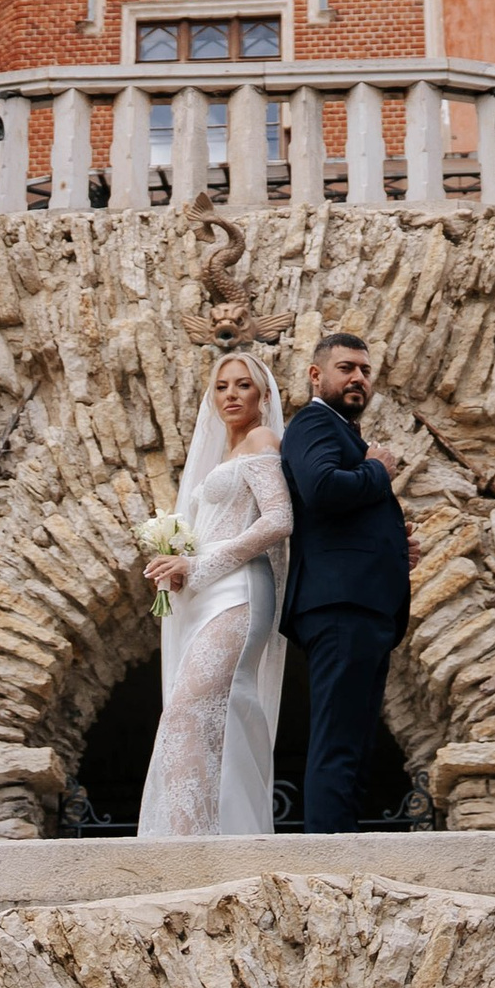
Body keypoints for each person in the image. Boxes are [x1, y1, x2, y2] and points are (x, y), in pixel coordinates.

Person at [135, 350, 293, 838]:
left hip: (240, 592)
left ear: (263, 395)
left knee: (187, 709)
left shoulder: (262, 440)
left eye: (243, 385)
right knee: (196, 714)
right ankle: (206, 833)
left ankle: (192, 840)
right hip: (207, 593)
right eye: (222, 386)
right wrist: (179, 567)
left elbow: (279, 519)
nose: (231, 395)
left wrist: (200, 564)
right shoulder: (224, 455)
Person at [278, 325, 413, 833]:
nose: (358, 378)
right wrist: (378, 470)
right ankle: (328, 850)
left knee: (355, 740)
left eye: (365, 371)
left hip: (363, 604)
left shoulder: (343, 432)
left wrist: (394, 546)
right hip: (339, 606)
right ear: (316, 375)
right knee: (338, 739)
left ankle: (345, 843)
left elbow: (343, 517)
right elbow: (322, 489)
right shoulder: (314, 422)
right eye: (346, 368)